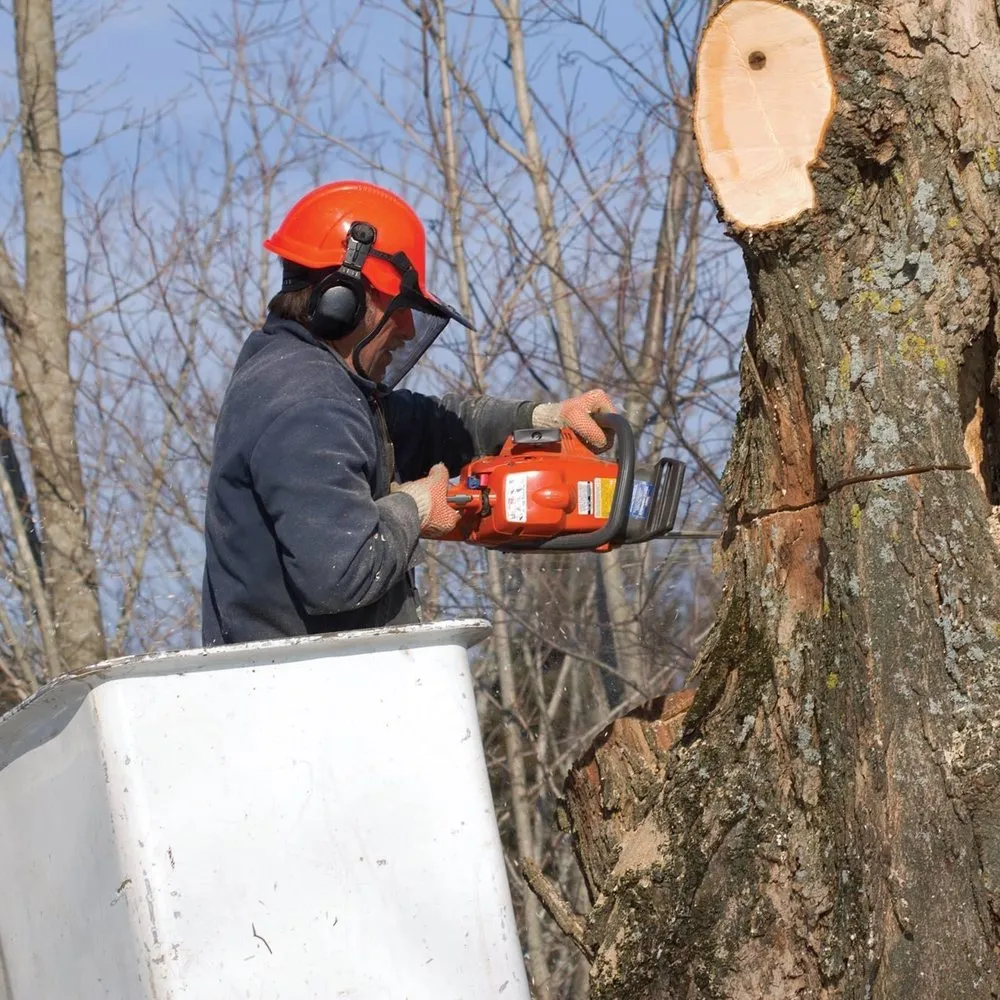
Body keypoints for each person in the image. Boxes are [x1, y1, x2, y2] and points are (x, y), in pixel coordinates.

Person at [202, 180, 615, 645]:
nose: (407, 328)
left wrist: (542, 419)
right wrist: (414, 508)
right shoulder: (308, 405)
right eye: (398, 305)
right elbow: (343, 573)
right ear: (343, 299)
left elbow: (426, 426)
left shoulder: (305, 380)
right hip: (304, 696)